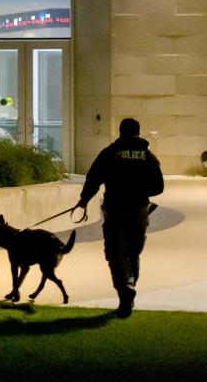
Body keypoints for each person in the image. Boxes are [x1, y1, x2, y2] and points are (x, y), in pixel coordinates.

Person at [76, 117, 164, 318]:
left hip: (115, 209)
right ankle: (129, 290)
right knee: (133, 252)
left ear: (120, 132)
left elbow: (93, 178)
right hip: (139, 210)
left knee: (116, 253)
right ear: (138, 133)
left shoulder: (109, 153)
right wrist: (140, 191)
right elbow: (158, 187)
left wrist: (83, 200)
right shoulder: (148, 155)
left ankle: (125, 290)